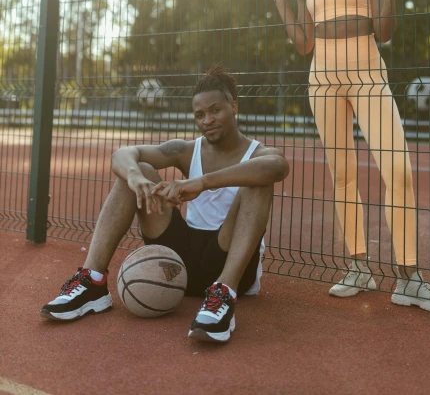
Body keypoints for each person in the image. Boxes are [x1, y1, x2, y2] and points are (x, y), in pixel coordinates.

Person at [269, 0, 430, 313]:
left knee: (399, 170)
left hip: (369, 78)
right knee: (343, 175)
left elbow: (383, 32)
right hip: (323, 82)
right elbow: (302, 45)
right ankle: (358, 266)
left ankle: (409, 276)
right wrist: (282, 5)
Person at [41, 64, 289, 342]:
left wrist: (202, 182)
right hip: (179, 262)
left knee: (258, 182)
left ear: (234, 106)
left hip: (229, 262)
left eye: (215, 110)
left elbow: (277, 167)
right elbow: (124, 153)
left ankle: (223, 294)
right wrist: (135, 177)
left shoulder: (260, 153)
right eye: (200, 115)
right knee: (135, 172)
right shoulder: (185, 150)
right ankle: (93, 281)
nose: (207, 119)